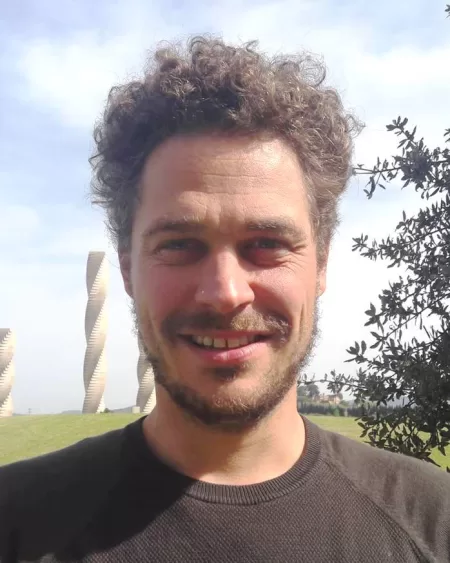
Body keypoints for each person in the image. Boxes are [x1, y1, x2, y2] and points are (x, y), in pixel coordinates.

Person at [1, 36, 449, 563]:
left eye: (267, 244)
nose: (225, 292)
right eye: (179, 245)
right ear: (127, 269)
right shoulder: (15, 521)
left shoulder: (433, 523)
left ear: (322, 265)